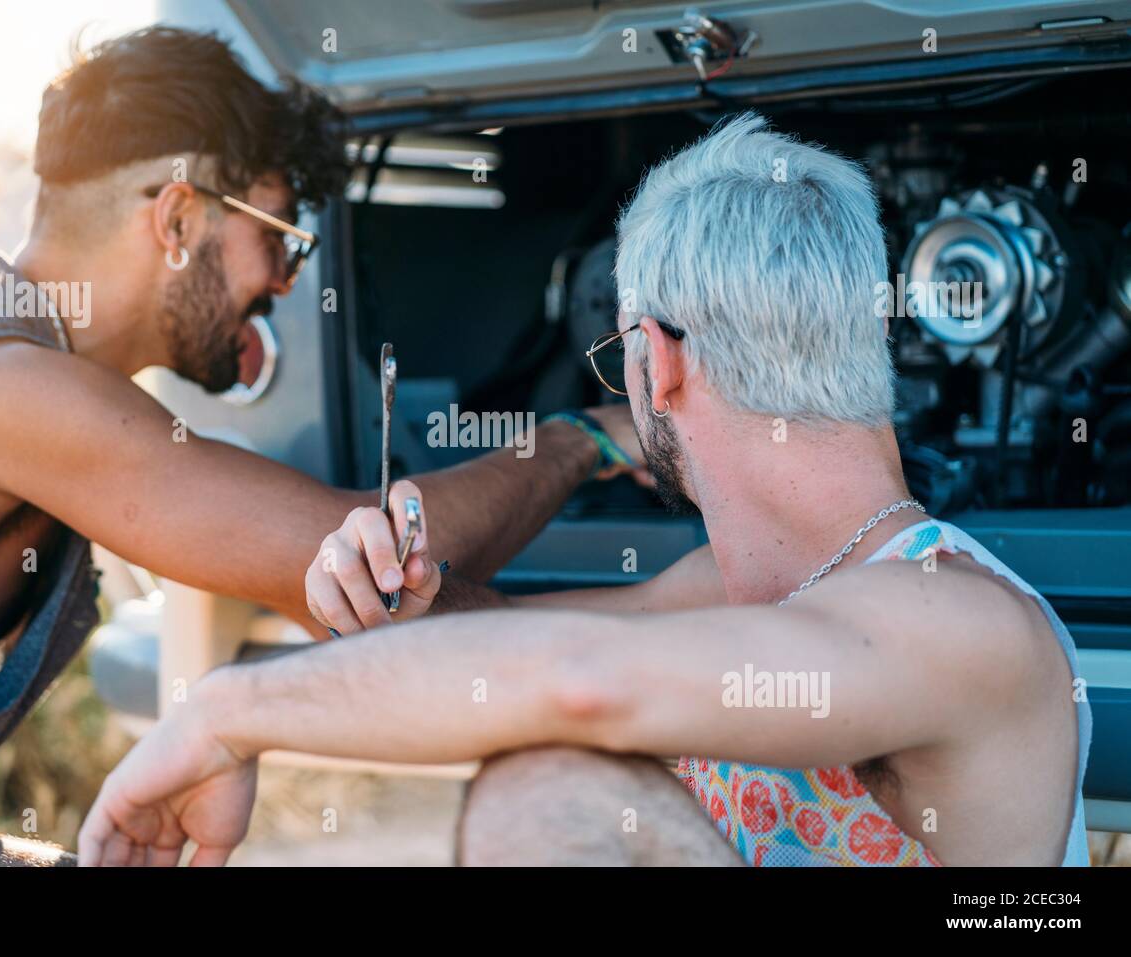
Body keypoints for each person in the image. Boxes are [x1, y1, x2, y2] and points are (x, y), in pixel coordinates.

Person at [79, 113, 1091, 867]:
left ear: (653, 361)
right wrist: (413, 599)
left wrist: (225, 710)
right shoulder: (730, 587)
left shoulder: (959, 622)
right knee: (554, 779)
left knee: (546, 796)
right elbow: (506, 656)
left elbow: (577, 677)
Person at [0, 26, 640, 866]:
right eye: (280, 236)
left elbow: (364, 606)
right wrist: (583, 435)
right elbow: (374, 555)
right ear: (178, 218)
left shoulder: (32, 370)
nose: (287, 281)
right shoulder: (2, 383)